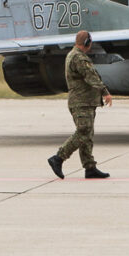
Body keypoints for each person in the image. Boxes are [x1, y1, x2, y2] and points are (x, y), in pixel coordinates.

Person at [48, 30, 113, 179]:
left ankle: (90, 167)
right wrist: (105, 92)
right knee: (84, 132)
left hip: (84, 101)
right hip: (81, 102)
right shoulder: (79, 58)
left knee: (87, 135)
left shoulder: (74, 55)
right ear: (87, 43)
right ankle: (58, 158)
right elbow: (91, 77)